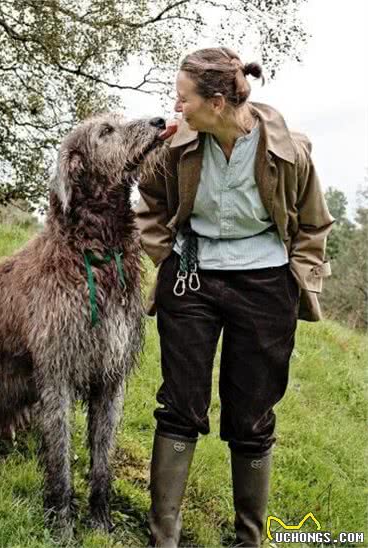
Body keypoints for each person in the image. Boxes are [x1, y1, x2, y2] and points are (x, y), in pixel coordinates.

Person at [134, 47, 334, 547]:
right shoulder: (175, 147)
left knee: (251, 413)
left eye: (184, 99)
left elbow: (313, 225)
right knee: (180, 403)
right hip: (192, 279)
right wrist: (166, 258)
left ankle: (249, 537)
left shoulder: (290, 150)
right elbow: (150, 204)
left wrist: (295, 283)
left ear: (217, 102)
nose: (176, 108)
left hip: (266, 286)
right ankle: (164, 536)